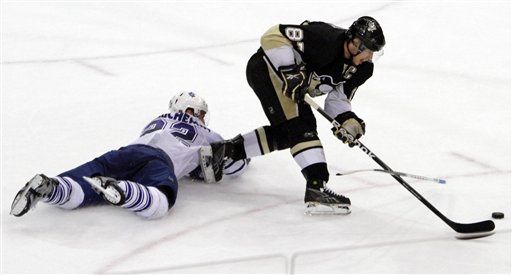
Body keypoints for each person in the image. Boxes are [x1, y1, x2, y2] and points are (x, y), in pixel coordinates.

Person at [208, 16, 385, 215]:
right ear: (355, 43)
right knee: (302, 126)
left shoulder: (362, 69)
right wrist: (290, 72)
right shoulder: (325, 38)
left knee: (289, 134)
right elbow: (273, 36)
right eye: (369, 50)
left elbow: (338, 99)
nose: (370, 57)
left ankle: (224, 152)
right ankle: (316, 187)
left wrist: (346, 120)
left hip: (286, 85)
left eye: (374, 53)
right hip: (266, 69)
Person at [10, 92, 249, 219]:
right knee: (161, 203)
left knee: (81, 186)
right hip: (159, 161)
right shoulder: (204, 132)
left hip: (125, 152)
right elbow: (234, 164)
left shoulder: (157, 121)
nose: (202, 118)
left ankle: (50, 187)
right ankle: (124, 191)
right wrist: (239, 160)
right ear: (190, 110)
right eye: (200, 113)